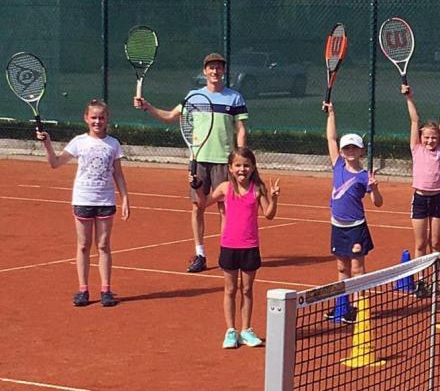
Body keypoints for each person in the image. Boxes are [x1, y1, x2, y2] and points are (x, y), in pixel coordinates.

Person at [134, 53, 248, 273]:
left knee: (225, 208)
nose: (215, 71)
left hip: (224, 161)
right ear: (205, 71)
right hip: (198, 161)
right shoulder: (193, 97)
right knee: (197, 207)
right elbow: (170, 116)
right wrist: (147, 106)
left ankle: (226, 251)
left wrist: (240, 158)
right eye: (211, 68)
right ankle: (200, 255)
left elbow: (241, 129)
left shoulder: (235, 98)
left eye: (218, 68)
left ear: (223, 71)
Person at [37, 99, 130, 307]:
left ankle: (106, 290)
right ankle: (83, 290)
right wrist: (47, 144)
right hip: (83, 199)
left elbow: (118, 174)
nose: (97, 121)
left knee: (103, 245)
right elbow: (55, 163)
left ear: (107, 119)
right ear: (86, 118)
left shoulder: (113, 144)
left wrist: (125, 198)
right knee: (83, 245)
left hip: (105, 200)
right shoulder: (78, 142)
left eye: (101, 117)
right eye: (93, 117)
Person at [194, 147, 279, 349]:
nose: (242, 169)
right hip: (229, 246)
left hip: (250, 247)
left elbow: (269, 214)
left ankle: (246, 330)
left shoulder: (257, 189)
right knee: (230, 289)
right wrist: (198, 186)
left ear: (253, 167)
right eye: (238, 165)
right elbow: (203, 203)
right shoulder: (225, 188)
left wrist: (274, 198)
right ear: (230, 168)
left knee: (247, 289)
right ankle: (231, 330)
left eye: (246, 165)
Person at [322, 101, 383, 323]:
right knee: (342, 267)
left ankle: (359, 307)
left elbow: (378, 203)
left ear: (361, 151)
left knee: (357, 268)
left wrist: (375, 189)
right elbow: (331, 138)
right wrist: (331, 113)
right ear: (341, 151)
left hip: (356, 227)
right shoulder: (338, 164)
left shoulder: (365, 176)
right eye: (346, 148)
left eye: (354, 148)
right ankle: (343, 305)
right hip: (337, 226)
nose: (350, 151)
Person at [402, 79, 440, 298]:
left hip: (438, 199)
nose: (430, 140)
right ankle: (421, 282)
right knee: (420, 244)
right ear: (420, 138)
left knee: (435, 243)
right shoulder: (416, 148)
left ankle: (435, 281)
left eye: (434, 137)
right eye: (426, 137)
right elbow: (414, 120)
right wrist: (409, 98)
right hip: (419, 200)